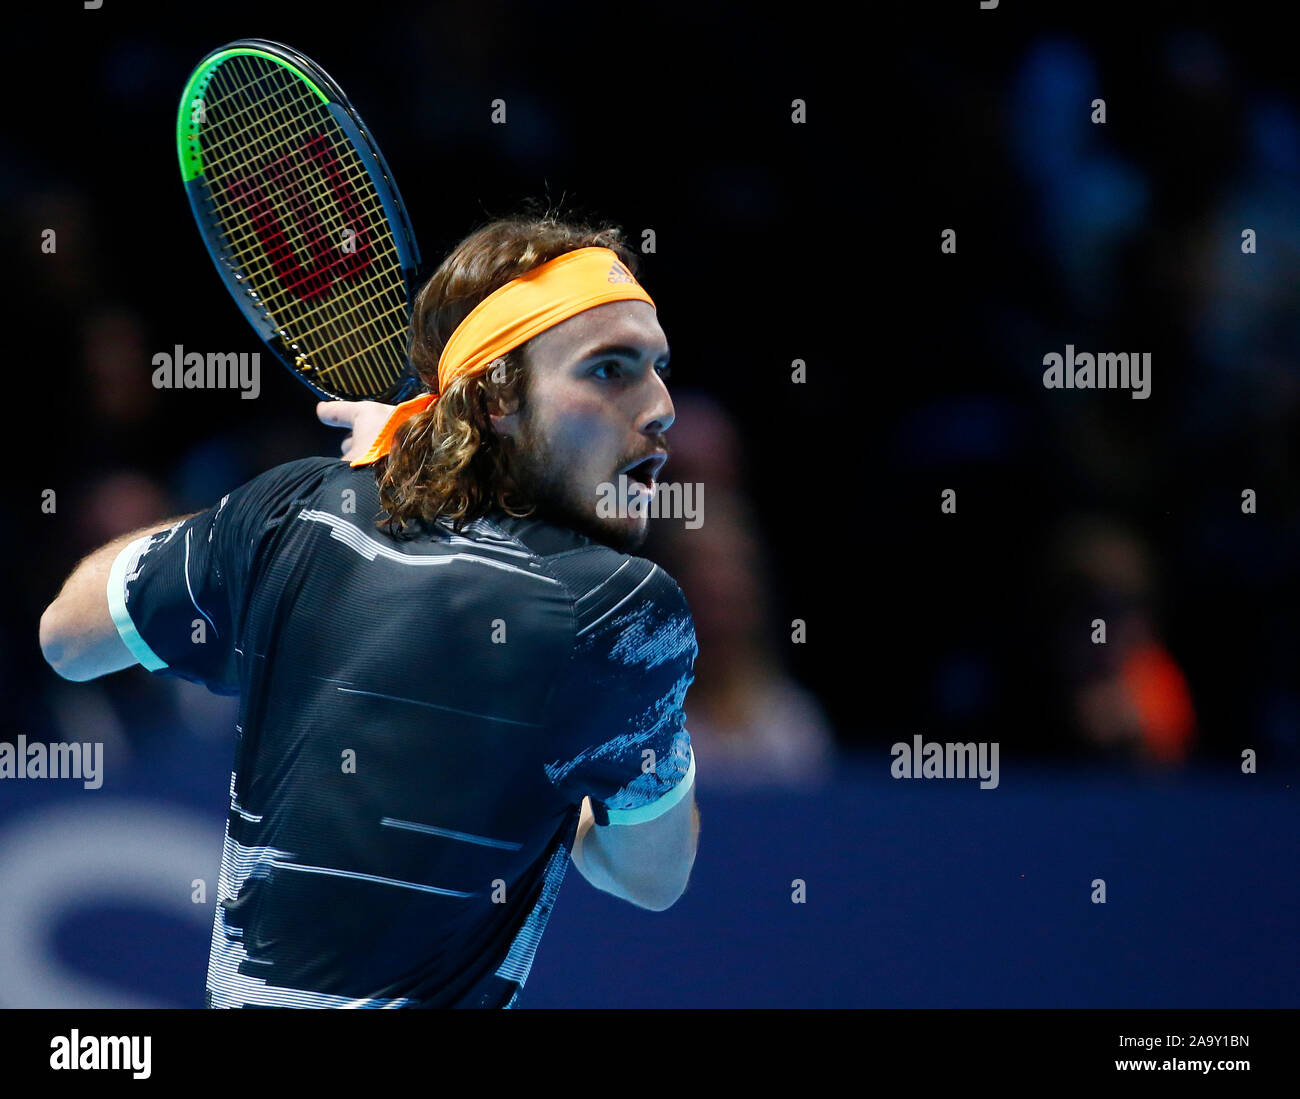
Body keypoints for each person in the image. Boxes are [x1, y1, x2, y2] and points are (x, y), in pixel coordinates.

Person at [38, 215, 700, 1008]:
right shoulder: (623, 609)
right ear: (497, 397)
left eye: (659, 368)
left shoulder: (294, 512)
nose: (660, 405)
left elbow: (67, 638)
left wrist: (244, 524)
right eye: (610, 370)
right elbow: (651, 876)